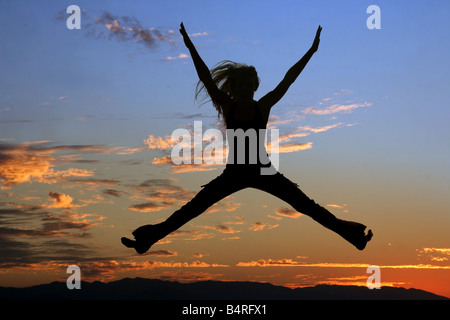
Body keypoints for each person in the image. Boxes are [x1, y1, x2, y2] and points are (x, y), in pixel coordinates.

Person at [121, 23, 372, 254]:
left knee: (307, 206)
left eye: (249, 84)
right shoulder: (227, 105)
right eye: (240, 84)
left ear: (255, 86)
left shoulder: (263, 107)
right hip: (234, 173)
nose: (244, 88)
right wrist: (189, 45)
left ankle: (354, 237)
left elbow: (289, 79)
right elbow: (205, 77)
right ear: (233, 87)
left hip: (264, 172)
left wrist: (312, 51)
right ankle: (147, 240)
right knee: (192, 209)